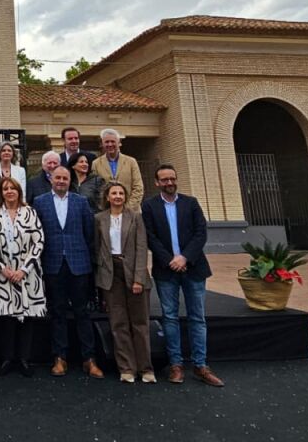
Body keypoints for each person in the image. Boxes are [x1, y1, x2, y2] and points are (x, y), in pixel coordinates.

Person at [141, 164, 224, 387]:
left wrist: (184, 257)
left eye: (172, 178)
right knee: (169, 317)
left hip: (193, 267)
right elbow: (150, 236)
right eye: (164, 179)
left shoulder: (191, 203)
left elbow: (200, 233)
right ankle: (176, 365)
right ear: (157, 182)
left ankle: (201, 365)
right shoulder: (149, 206)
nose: (169, 183)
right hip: (166, 270)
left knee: (197, 317)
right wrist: (170, 260)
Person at [31, 166, 103, 379]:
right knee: (58, 312)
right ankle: (59, 357)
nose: (61, 181)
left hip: (79, 263)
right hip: (52, 264)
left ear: (70, 180)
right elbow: (37, 233)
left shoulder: (81, 202)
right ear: (51, 179)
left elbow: (89, 233)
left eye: (65, 178)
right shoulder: (40, 202)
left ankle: (89, 359)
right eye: (58, 178)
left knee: (82, 312)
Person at [95, 182, 154, 384]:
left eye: (121, 193)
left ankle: (145, 368)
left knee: (140, 323)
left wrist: (138, 278)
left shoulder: (135, 217)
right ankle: (127, 368)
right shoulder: (99, 219)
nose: (118, 196)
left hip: (133, 271)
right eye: (114, 193)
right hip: (111, 274)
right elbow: (98, 248)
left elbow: (141, 248)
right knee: (118, 323)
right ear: (107, 197)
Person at [0, 176, 44, 377]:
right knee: (6, 319)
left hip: (27, 274)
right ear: (1, 193)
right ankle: (7, 359)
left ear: (19, 192)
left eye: (13, 188)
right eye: (5, 189)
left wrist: (24, 269)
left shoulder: (30, 212)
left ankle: (24, 359)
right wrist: (3, 268)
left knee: (27, 318)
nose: (9, 191)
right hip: (4, 274)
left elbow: (39, 242)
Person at [90, 129, 143, 211]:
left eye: (113, 141)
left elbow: (138, 188)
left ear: (119, 143)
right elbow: (96, 190)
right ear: (102, 144)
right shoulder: (96, 164)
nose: (110, 144)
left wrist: (126, 208)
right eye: (107, 142)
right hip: (107, 212)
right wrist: (107, 209)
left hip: (131, 212)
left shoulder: (131, 162)